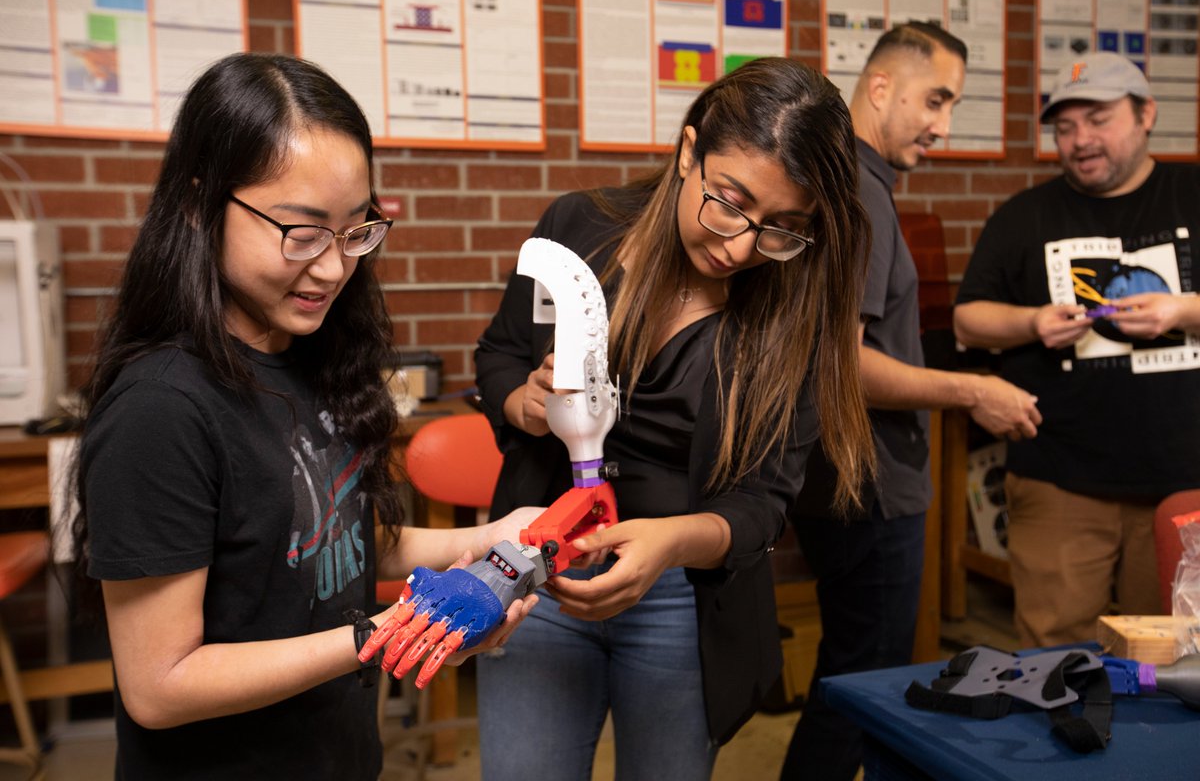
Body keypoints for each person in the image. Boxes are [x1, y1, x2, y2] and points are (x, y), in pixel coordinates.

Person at [73, 53, 538, 780]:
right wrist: (389, 634)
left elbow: (334, 545)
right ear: (200, 204)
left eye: (357, 230)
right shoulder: (161, 410)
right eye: (302, 231)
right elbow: (160, 686)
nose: (332, 268)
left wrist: (490, 538)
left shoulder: (310, 355)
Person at [472, 57, 876, 779]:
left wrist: (669, 545)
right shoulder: (579, 230)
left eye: (783, 227)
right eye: (730, 201)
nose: (742, 247)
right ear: (689, 152)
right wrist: (522, 404)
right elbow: (500, 351)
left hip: (682, 599)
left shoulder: (791, 310)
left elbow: (760, 508)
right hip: (537, 567)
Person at [779, 22, 1043, 780]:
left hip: (848, 483)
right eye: (935, 100)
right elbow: (843, 363)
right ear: (881, 88)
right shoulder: (858, 192)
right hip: (868, 488)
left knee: (853, 673)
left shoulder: (851, 184)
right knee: (863, 688)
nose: (943, 125)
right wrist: (973, 390)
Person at [954, 51, 1200, 647]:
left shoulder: (1192, 193)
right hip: (1059, 479)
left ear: (1146, 115)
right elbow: (968, 319)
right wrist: (1034, 321)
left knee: (1172, 661)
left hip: (1183, 484)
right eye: (1065, 127)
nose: (1080, 140)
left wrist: (1184, 310)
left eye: (1098, 119)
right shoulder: (1023, 216)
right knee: (1052, 661)